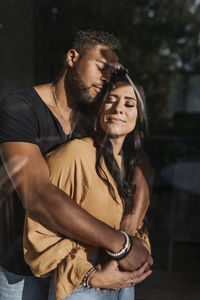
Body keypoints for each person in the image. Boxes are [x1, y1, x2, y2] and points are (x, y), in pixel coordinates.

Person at [0, 30, 152, 299]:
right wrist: (122, 245)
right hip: (20, 269)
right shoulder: (19, 108)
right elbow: (38, 195)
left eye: (112, 74)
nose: (106, 79)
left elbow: (139, 166)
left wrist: (131, 222)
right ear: (72, 57)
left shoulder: (95, 117)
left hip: (78, 263)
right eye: (101, 67)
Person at [24, 78, 151, 300]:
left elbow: (134, 228)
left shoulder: (130, 166)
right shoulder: (74, 155)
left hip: (125, 282)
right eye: (110, 100)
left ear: (139, 117)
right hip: (84, 284)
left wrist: (138, 249)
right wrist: (88, 274)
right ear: (98, 109)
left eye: (129, 104)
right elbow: (39, 228)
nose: (119, 108)